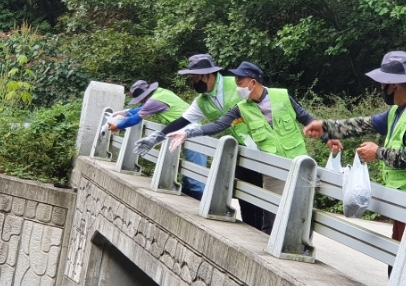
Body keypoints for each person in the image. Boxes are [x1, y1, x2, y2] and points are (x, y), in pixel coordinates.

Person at [303, 50, 406, 258]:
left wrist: (378, 152)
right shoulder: (398, 111)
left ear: (394, 84)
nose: (381, 87)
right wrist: (326, 127)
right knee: (397, 263)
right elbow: (365, 124)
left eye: (383, 83)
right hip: (405, 203)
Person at [166, 61, 324, 233]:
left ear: (253, 82)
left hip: (299, 165)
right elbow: (219, 125)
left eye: (240, 83)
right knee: (273, 220)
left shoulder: (282, 96)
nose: (237, 88)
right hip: (272, 170)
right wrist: (188, 133)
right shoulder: (241, 108)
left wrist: (329, 139)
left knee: (302, 217)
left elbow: (308, 120)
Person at [133, 54, 263, 229]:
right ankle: (252, 233)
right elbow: (182, 121)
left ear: (209, 74)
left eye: (196, 77)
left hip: (264, 145)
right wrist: (157, 137)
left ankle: (268, 232)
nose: (194, 82)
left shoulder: (236, 84)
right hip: (241, 149)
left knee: (265, 199)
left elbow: (264, 98)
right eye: (192, 78)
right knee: (246, 199)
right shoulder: (203, 101)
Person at [110, 79, 206, 199]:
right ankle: (192, 195)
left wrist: (118, 126)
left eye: (141, 99)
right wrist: (124, 113)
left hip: (192, 131)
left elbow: (136, 119)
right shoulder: (161, 93)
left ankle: (198, 200)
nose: (141, 102)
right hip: (189, 129)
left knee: (196, 173)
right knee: (190, 171)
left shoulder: (154, 101)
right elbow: (141, 109)